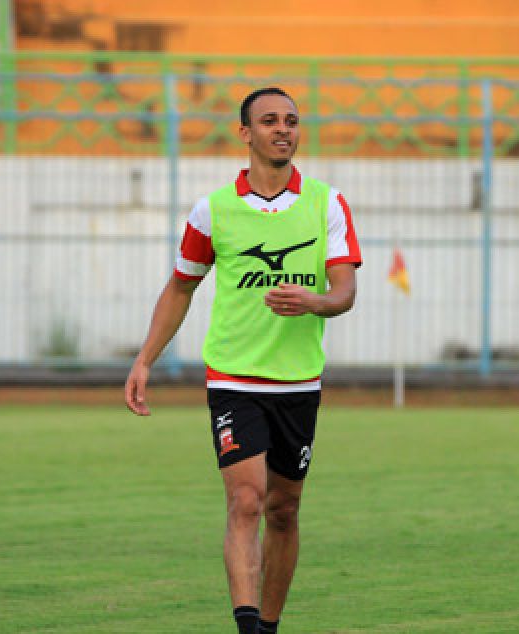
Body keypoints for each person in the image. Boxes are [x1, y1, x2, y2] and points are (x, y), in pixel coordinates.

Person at [124, 86, 361, 634]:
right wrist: (145, 360)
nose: (284, 129)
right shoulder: (213, 211)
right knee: (247, 502)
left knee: (283, 510)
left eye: (292, 120)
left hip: (298, 384)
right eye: (270, 120)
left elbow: (344, 292)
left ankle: (270, 625)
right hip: (234, 378)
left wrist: (315, 301)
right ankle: (248, 626)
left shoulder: (327, 203)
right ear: (245, 133)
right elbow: (181, 287)